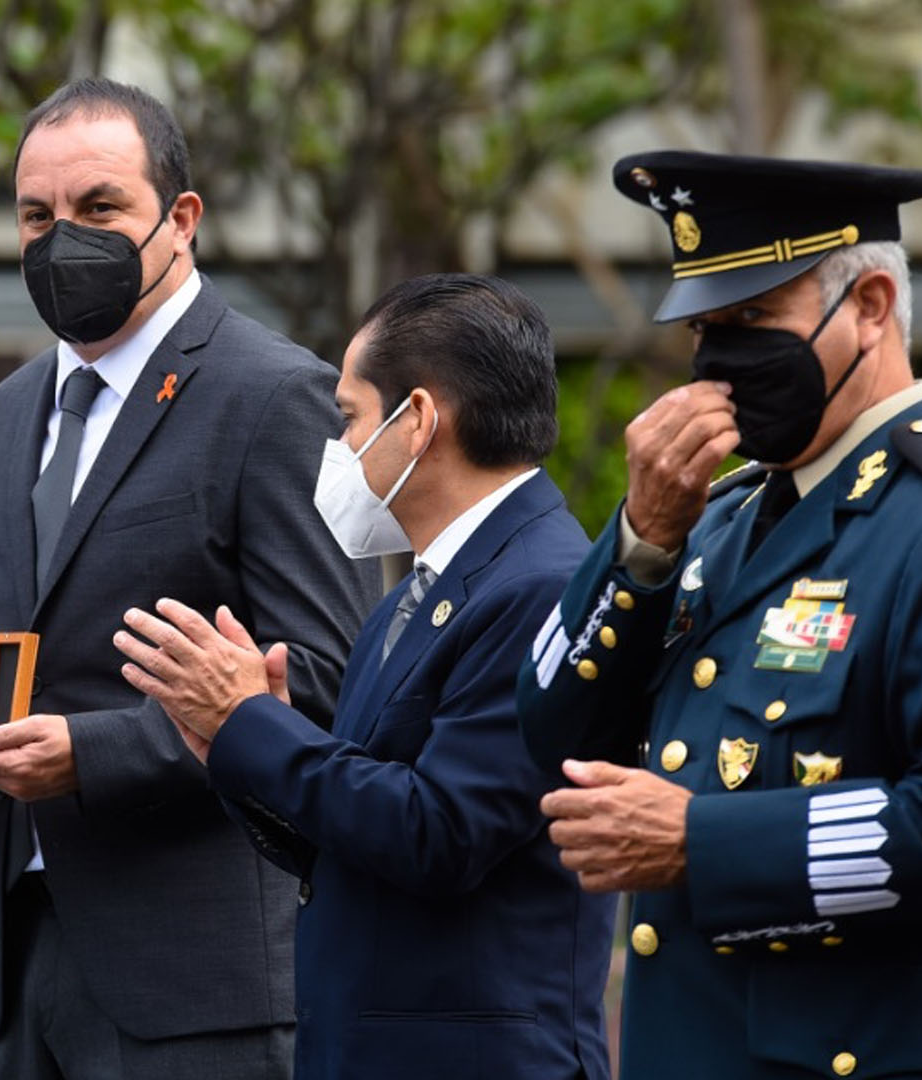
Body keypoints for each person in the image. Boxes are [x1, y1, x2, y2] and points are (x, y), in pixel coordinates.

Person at [517, 150, 922, 1079]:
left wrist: (701, 843)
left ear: (869, 306)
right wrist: (640, 544)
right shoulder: (719, 517)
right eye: (707, 329)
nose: (720, 361)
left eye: (754, 320)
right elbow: (550, 728)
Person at [0, 78, 381, 1078]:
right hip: (18, 962)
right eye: (38, 215)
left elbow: (323, 679)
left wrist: (93, 754)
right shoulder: (6, 412)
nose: (63, 237)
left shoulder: (274, 395)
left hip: (201, 978)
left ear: (181, 219)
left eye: (99, 208)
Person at [115, 274, 614, 1079]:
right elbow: (351, 840)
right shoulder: (413, 596)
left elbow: (440, 834)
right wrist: (239, 745)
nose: (340, 449)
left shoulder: (540, 583)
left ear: (416, 420)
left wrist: (254, 724)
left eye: (348, 417)